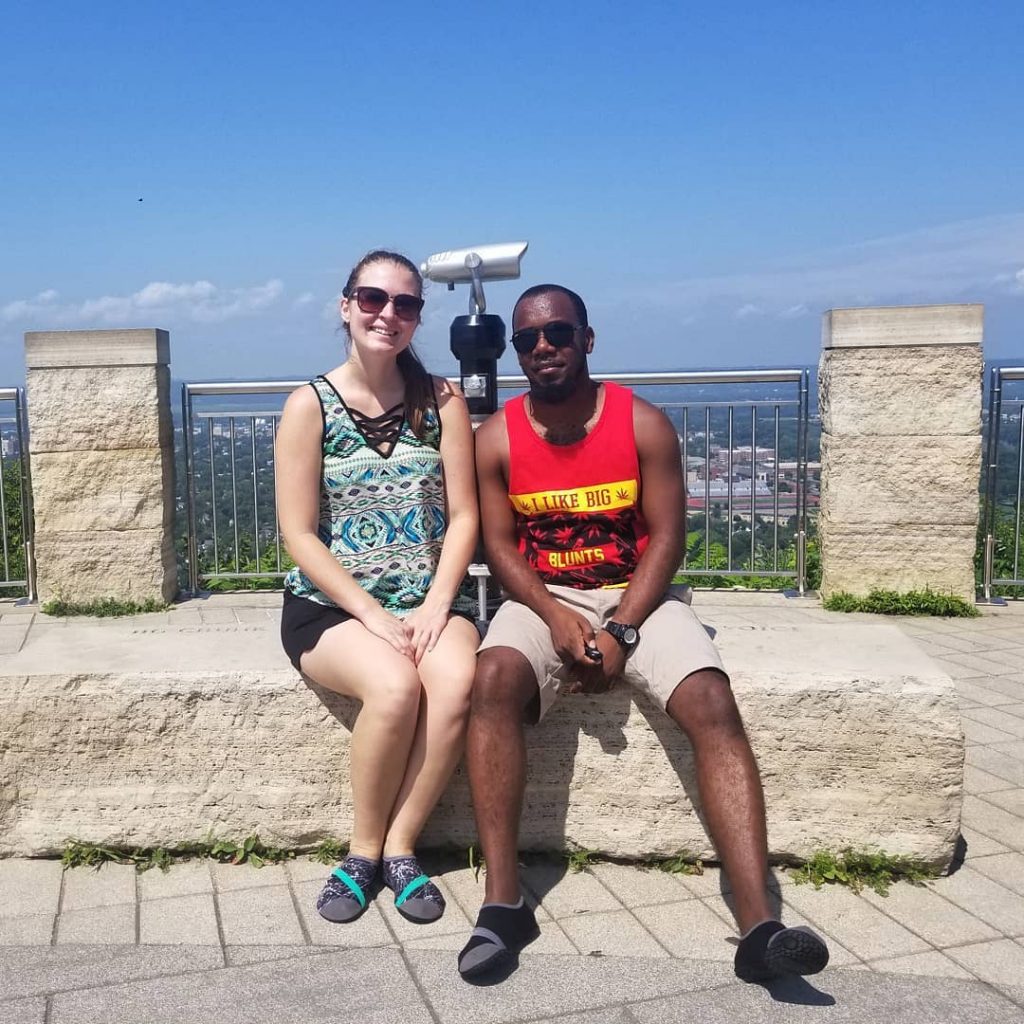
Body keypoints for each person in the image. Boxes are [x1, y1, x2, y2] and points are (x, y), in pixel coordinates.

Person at [458, 283, 829, 981]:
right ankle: (503, 903)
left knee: (712, 701)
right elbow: (502, 546)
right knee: (492, 680)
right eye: (528, 339)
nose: (543, 348)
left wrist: (623, 627)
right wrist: (554, 615)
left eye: (559, 334)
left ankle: (759, 926)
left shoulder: (642, 424)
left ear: (587, 340)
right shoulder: (497, 438)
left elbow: (666, 538)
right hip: (547, 594)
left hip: (641, 594)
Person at [276, 250, 479, 925]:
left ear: (418, 317)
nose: (388, 314)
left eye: (406, 304)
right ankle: (361, 853)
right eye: (373, 298)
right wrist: (368, 614)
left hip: (427, 600)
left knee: (454, 684)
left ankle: (401, 846)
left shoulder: (441, 401)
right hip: (329, 609)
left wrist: (436, 605)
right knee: (394, 688)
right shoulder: (310, 406)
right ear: (345, 307)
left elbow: (465, 516)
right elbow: (299, 534)